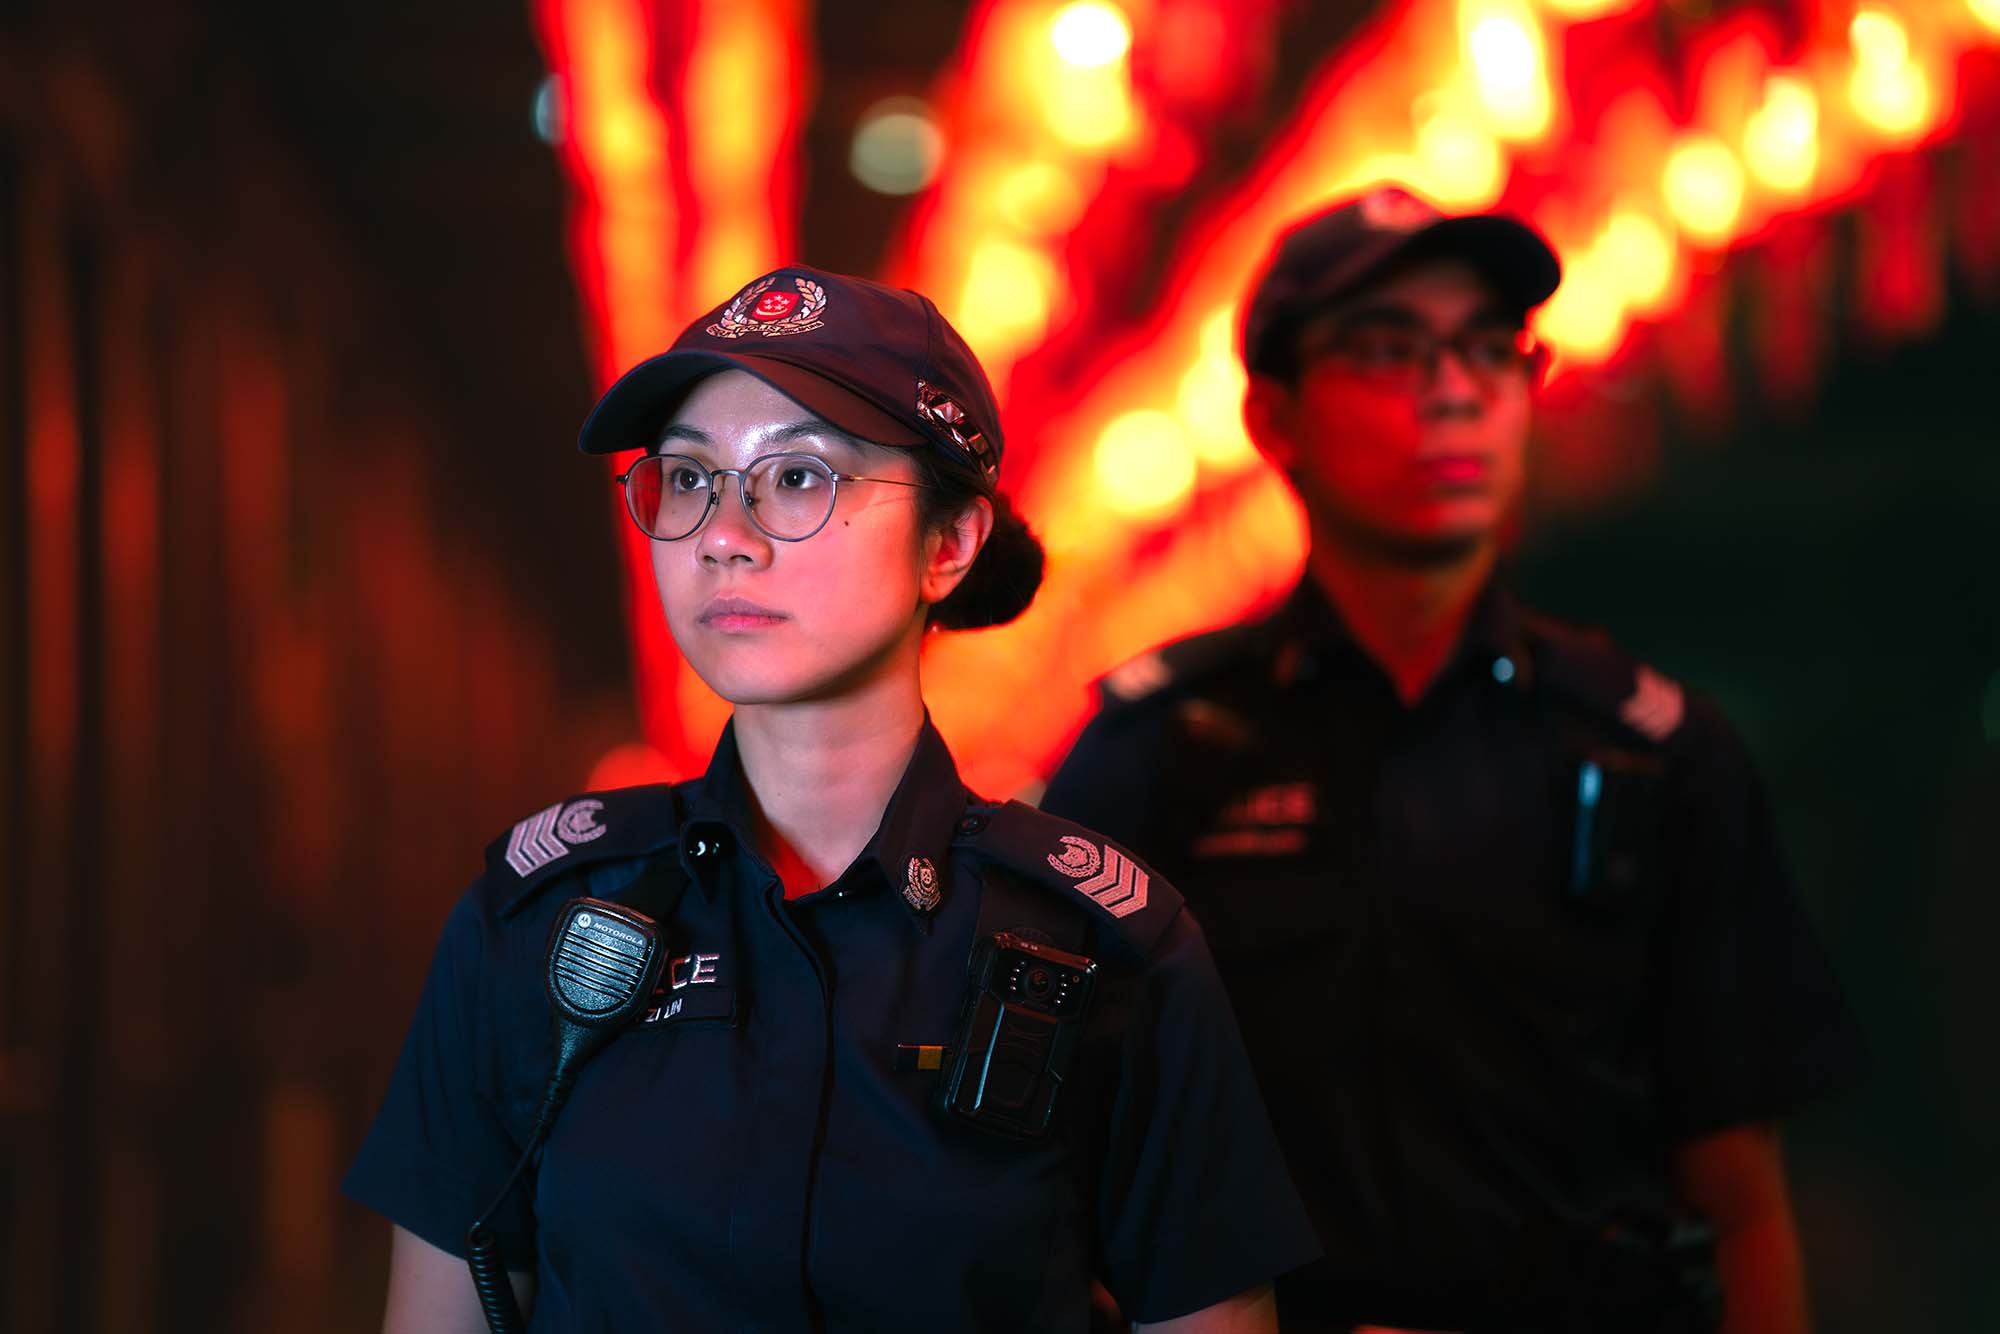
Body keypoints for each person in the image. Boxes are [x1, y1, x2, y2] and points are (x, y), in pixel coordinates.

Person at [342, 265, 1320, 1333]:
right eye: (686, 476)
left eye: (799, 478)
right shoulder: (535, 924)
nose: (723, 532)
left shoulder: (1103, 943)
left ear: (947, 546)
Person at [1041, 188, 1867, 1334]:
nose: (1453, 389)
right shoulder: (1158, 749)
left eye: (1489, 349)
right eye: (1387, 350)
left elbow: (1739, 1202)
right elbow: (1051, 1188)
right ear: (1271, 415)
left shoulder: (1646, 751)